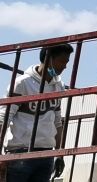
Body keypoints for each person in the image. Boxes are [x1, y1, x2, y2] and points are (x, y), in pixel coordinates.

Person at [0, 44, 72, 181]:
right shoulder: (22, 83)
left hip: (46, 154)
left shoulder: (59, 86)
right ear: (48, 59)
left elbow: (57, 122)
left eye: (67, 62)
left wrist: (59, 153)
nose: (65, 66)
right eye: (62, 61)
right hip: (20, 152)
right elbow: (3, 119)